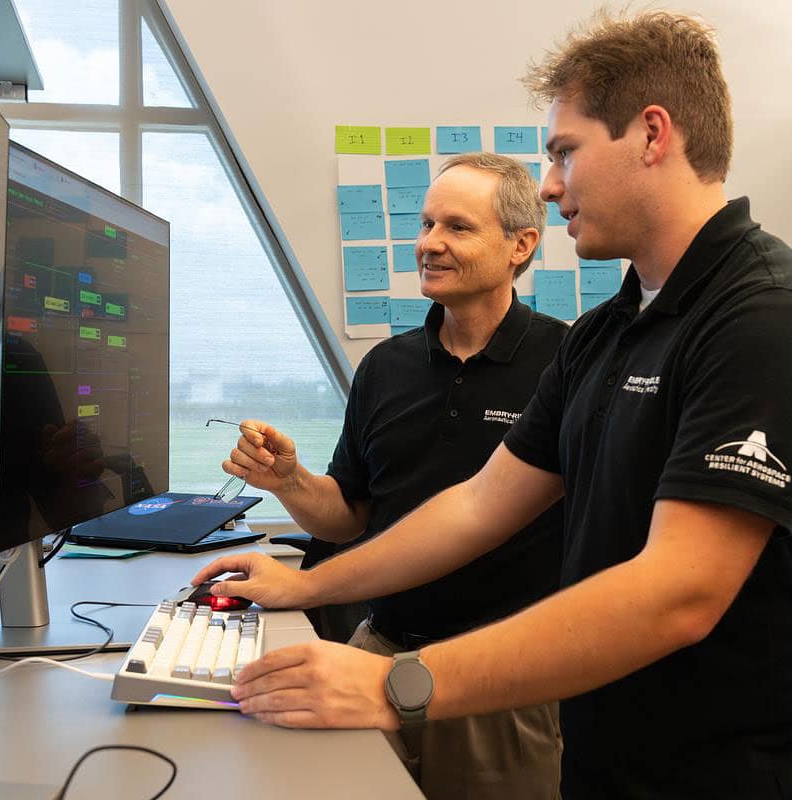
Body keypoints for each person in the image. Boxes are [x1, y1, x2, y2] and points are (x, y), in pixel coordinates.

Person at [196, 11, 792, 799]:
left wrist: (397, 685)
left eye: (565, 152)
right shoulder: (607, 335)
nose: (552, 184)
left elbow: (678, 594)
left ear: (652, 135)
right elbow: (476, 507)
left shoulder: (767, 318)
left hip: (751, 775)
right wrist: (308, 586)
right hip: (616, 760)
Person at [221, 153, 568, 798]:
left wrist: (308, 588)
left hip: (494, 676)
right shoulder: (385, 366)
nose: (429, 245)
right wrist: (289, 482)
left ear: (521, 245)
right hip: (375, 650)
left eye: (457, 228)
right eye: (426, 224)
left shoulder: (566, 361)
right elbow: (352, 514)